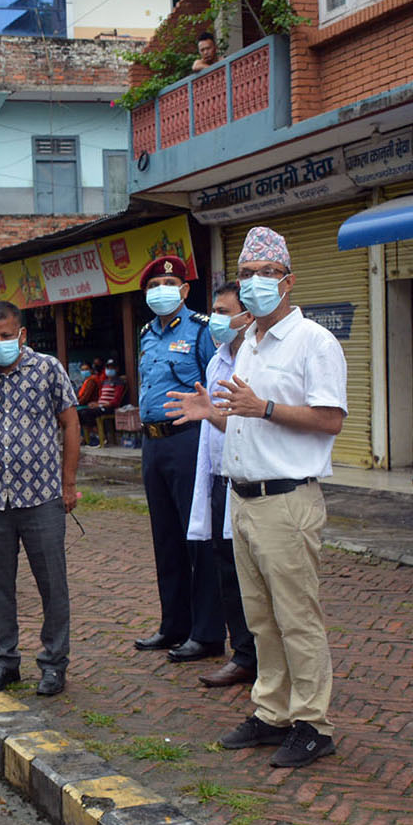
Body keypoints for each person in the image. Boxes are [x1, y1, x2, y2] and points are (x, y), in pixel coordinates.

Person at [172, 228, 348, 768]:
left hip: (287, 500)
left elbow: (330, 419)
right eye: (246, 275)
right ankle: (272, 712)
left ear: (288, 282)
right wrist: (216, 415)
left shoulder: (313, 342)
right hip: (244, 499)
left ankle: (313, 723)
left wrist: (264, 406)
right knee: (260, 618)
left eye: (264, 275)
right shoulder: (247, 342)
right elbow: (248, 421)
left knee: (297, 616)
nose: (252, 285)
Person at [0, 301, 79, 698]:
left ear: (21, 334)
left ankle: (54, 665)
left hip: (41, 497)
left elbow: (70, 422)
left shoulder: (47, 369)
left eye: (7, 336)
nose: (0, 343)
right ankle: (4, 663)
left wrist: (68, 482)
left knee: (51, 585)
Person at [132, 255, 223, 663]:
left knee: (198, 538)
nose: (160, 291)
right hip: (152, 444)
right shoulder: (146, 334)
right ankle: (174, 625)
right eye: (153, 285)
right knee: (165, 537)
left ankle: (206, 633)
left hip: (189, 440)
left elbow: (215, 385)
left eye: (168, 284)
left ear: (185, 291)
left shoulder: (202, 331)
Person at [173, 282, 259, 689]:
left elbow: (252, 425)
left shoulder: (259, 359)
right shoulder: (218, 360)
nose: (217, 321)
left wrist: (211, 416)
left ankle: (263, 656)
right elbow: (213, 424)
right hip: (219, 472)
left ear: (249, 315)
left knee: (255, 572)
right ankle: (243, 653)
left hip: (252, 476)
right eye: (215, 312)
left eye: (226, 312)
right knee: (225, 567)